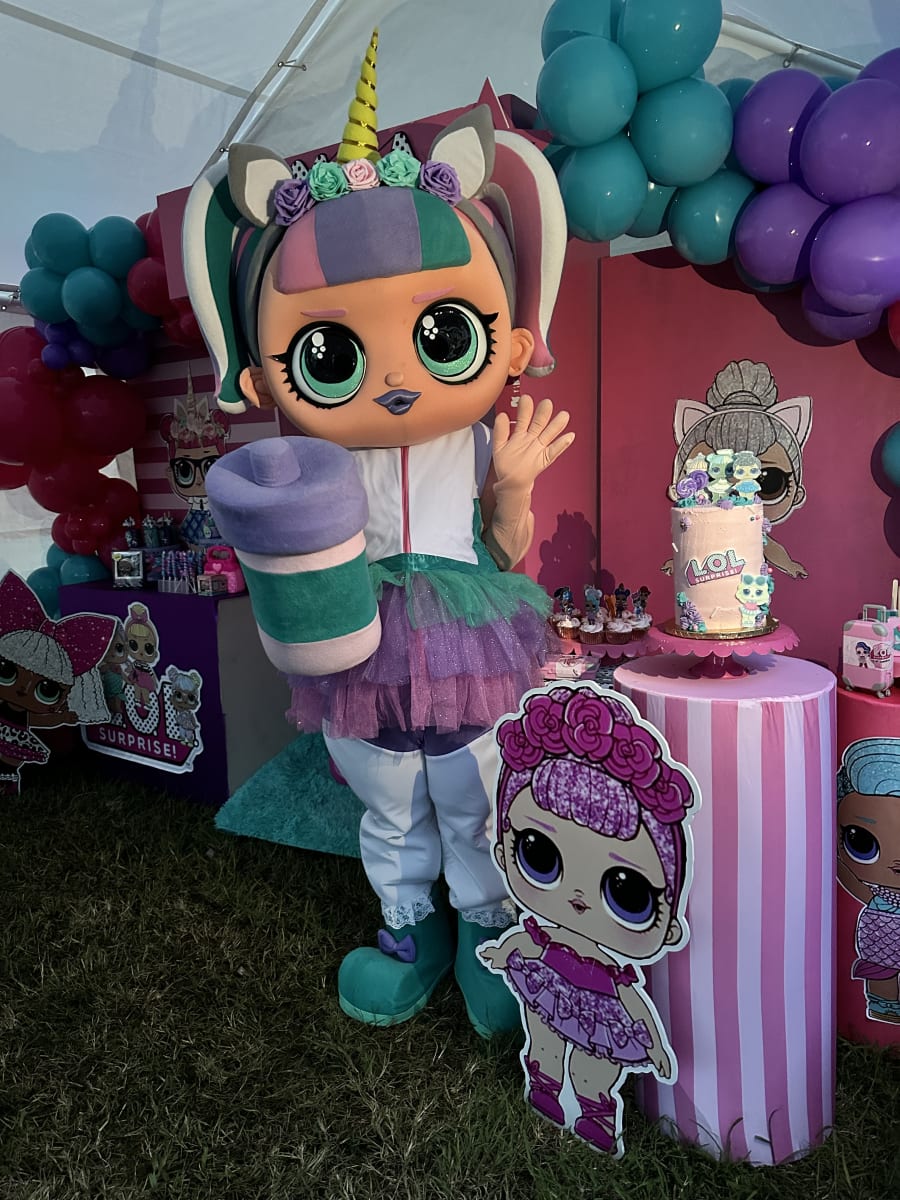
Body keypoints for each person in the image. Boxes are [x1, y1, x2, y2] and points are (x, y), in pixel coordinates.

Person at [184, 33, 572, 1036]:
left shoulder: (476, 438)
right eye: (331, 350)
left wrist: (513, 484)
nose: (397, 376)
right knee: (387, 795)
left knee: (473, 791)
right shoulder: (304, 461)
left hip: (465, 630)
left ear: (507, 338)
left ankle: (485, 929)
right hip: (356, 637)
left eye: (441, 335)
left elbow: (504, 550)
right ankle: (411, 931)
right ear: (263, 369)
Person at [479, 683, 696, 1154]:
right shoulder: (544, 933)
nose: (577, 899)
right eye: (538, 854)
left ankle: (595, 1115)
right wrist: (503, 950)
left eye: (628, 892)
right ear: (503, 850)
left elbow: (631, 999)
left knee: (593, 1069)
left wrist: (654, 1045)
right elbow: (528, 941)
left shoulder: (616, 970)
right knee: (544, 1045)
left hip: (602, 1011)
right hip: (547, 985)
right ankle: (544, 1088)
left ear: (670, 922)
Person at [0, 571, 115, 794]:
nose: (22, 690)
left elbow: (35, 719)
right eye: (6, 672)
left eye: (47, 690)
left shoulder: (26, 713)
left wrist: (61, 718)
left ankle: (7, 782)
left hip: (15, 742)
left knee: (9, 761)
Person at [837, 738, 900, 1024]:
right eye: (861, 841)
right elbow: (853, 881)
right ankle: (883, 1006)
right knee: (881, 973)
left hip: (879, 929)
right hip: (880, 935)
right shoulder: (878, 893)